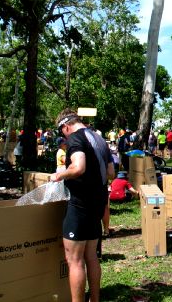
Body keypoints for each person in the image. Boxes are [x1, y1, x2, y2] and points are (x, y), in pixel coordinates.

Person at [50, 109, 114, 302]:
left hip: (80, 205)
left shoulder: (75, 138)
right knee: (91, 257)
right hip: (97, 204)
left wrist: (59, 175)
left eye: (62, 132)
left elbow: (79, 167)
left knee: (75, 260)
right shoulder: (99, 138)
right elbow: (111, 172)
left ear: (66, 126)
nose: (63, 136)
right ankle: (95, 299)